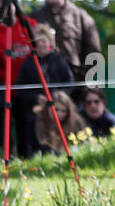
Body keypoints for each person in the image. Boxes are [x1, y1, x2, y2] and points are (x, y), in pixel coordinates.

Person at [13, 23, 74, 157]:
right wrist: (36, 98)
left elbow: (70, 82)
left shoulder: (59, 61)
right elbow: (20, 89)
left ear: (49, 42)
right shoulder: (28, 64)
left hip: (57, 109)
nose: (40, 44)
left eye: (43, 41)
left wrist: (60, 97)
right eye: (37, 41)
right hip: (36, 111)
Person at [31, 0, 101, 81]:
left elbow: (94, 51)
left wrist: (86, 79)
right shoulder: (36, 17)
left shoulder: (80, 15)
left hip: (76, 79)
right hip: (45, 80)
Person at [33, 90, 87, 155]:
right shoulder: (39, 120)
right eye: (56, 109)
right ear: (48, 107)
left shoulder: (76, 122)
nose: (59, 114)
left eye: (63, 111)